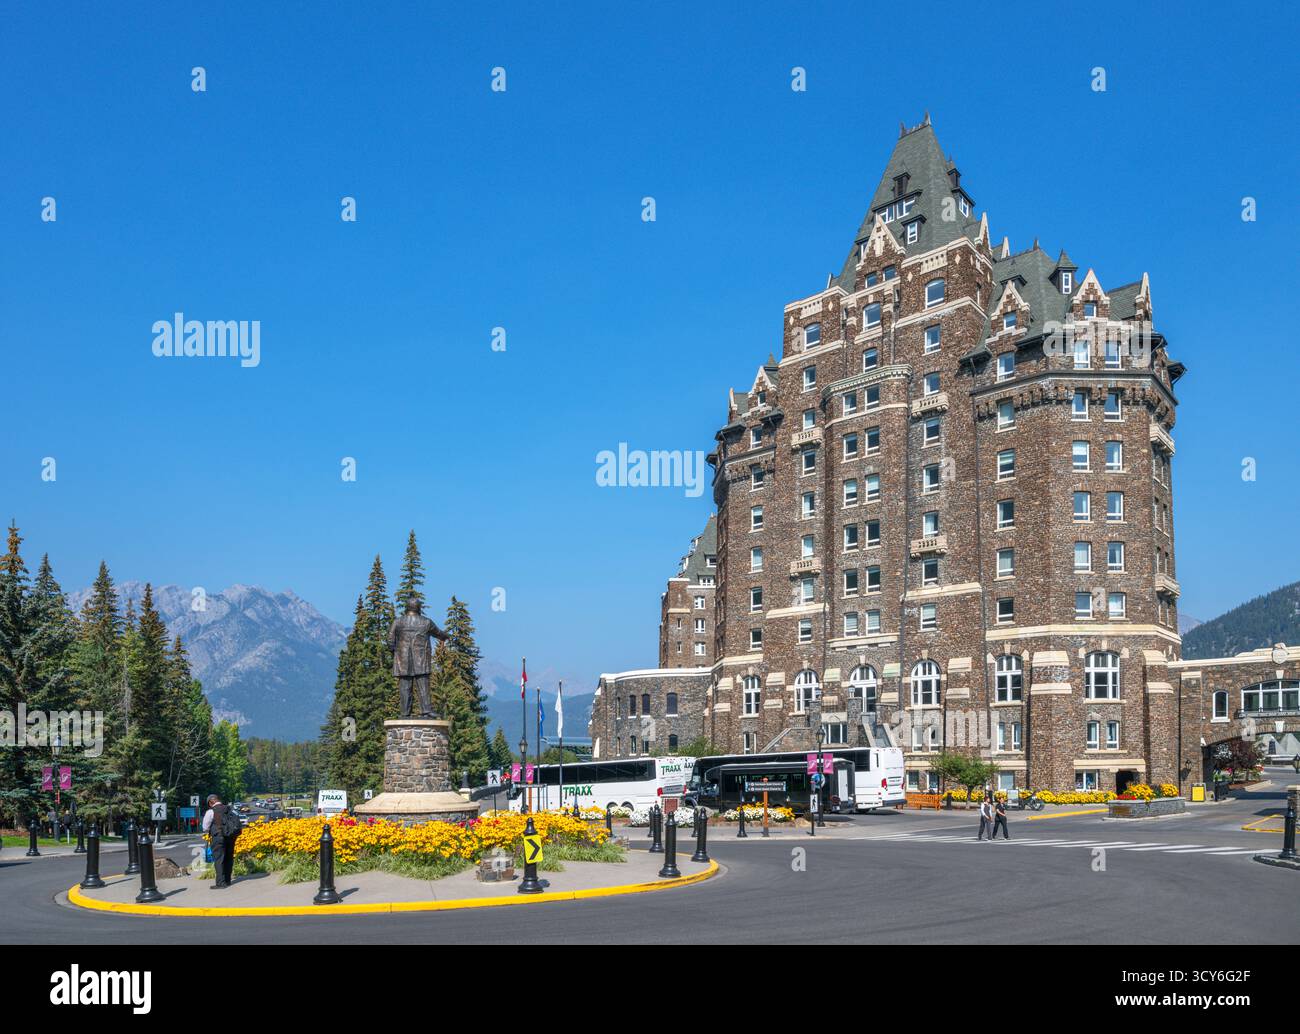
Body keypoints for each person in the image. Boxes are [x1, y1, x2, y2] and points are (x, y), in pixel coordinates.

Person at [202, 793, 240, 888]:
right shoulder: (230, 809)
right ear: (218, 800)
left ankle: (220, 883)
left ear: (210, 803)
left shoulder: (211, 812)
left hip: (218, 837)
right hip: (231, 837)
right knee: (229, 858)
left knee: (219, 859)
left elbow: (205, 827)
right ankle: (227, 880)